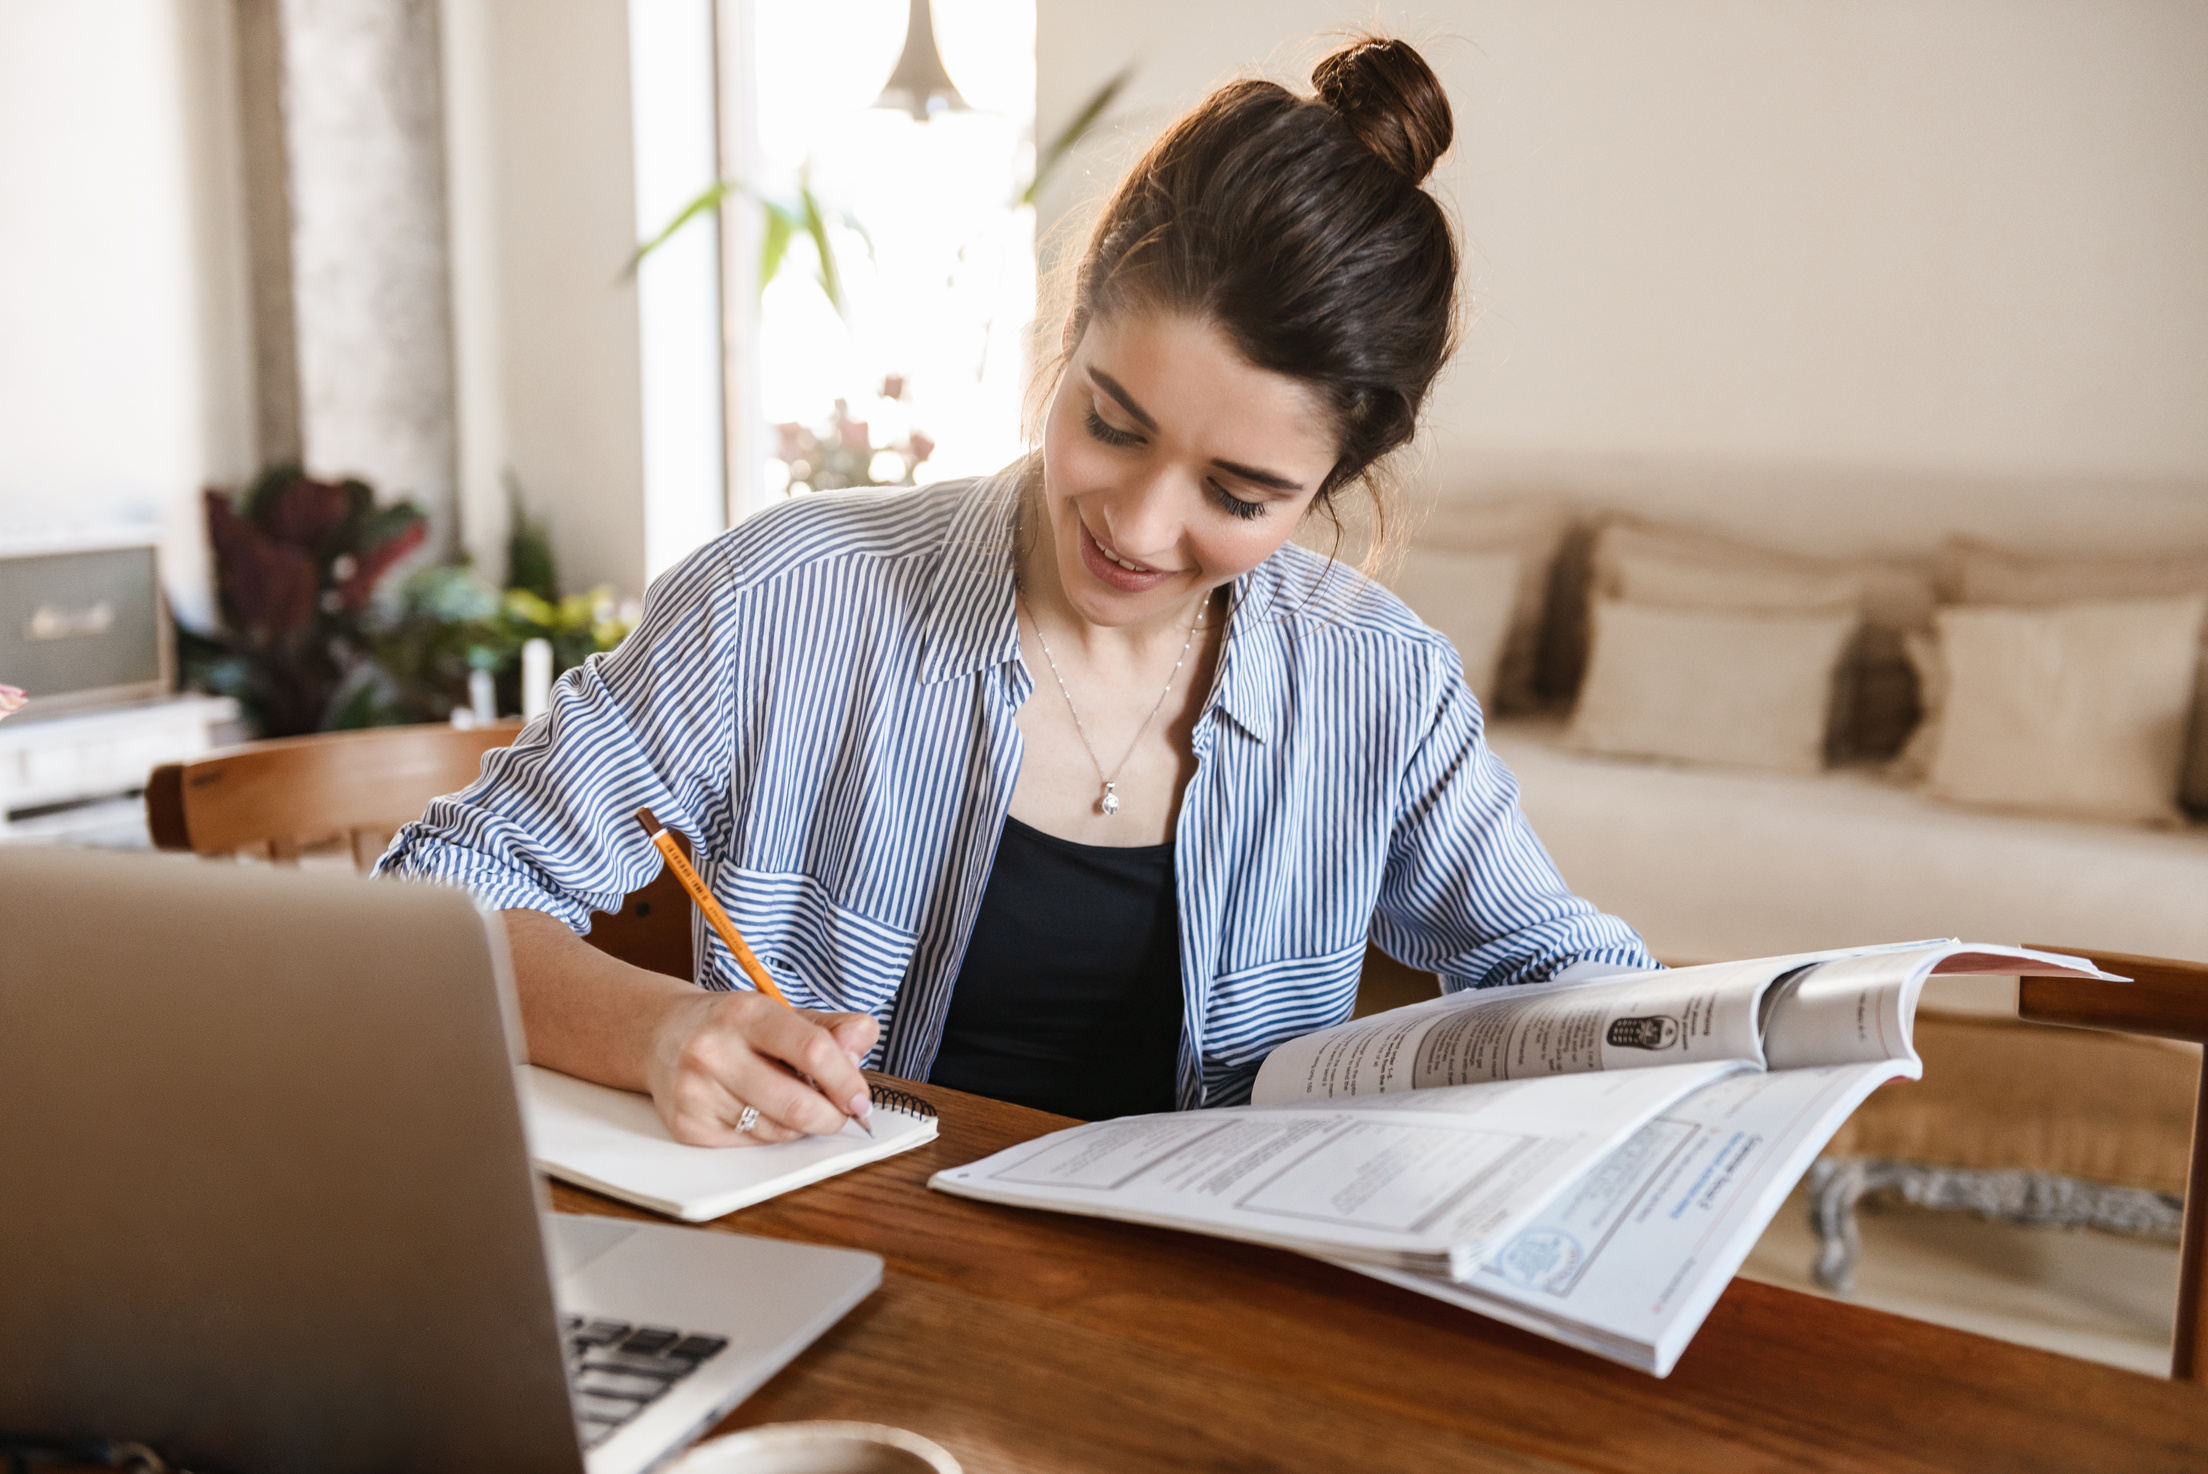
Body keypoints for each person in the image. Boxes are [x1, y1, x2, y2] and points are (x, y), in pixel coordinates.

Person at [379, 36, 1653, 1145]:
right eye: (1111, 422)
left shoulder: (1379, 683)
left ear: (1335, 482)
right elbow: (438, 899)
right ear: (1070, 326)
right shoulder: (789, 600)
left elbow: (1560, 971)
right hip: (848, 1273)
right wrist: (665, 1031)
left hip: (1192, 1333)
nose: (1140, 526)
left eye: (1239, 495)